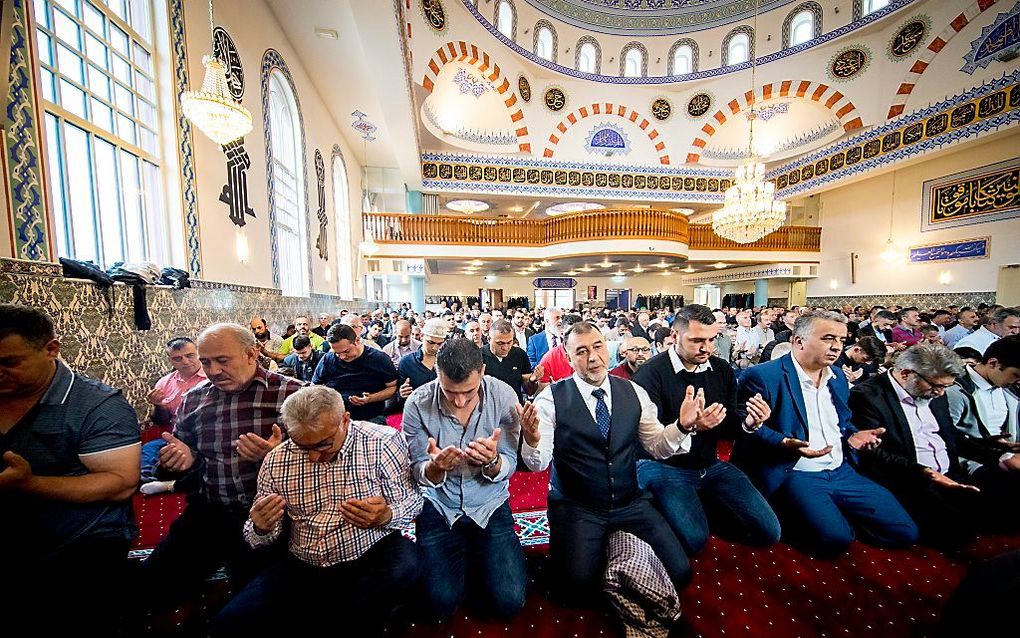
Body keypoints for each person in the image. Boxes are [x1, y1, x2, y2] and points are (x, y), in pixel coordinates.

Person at [214, 386, 422, 637]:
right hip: (304, 561)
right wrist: (261, 526)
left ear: (345, 420)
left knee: (406, 564)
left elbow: (413, 501)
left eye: (323, 444)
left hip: (368, 553)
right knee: (228, 623)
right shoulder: (277, 460)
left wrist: (386, 515)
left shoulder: (382, 442)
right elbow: (256, 537)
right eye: (302, 446)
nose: (313, 457)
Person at [522, 322, 695, 602]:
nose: (592, 357)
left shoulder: (634, 392)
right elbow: (537, 464)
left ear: (609, 348)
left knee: (680, 573)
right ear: (567, 358)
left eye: (598, 346)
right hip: (578, 505)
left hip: (629, 501)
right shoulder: (550, 399)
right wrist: (531, 439)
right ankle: (616, 555)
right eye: (581, 351)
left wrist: (682, 426)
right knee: (574, 588)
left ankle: (616, 551)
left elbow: (657, 447)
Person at [138, 323, 305, 609]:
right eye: (206, 362)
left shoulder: (292, 394)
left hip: (273, 517)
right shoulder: (195, 399)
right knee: (147, 589)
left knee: (261, 603)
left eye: (222, 361)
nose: (213, 371)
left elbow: (328, 458)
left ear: (252, 354)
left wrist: (278, 455)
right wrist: (184, 460)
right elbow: (183, 456)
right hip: (210, 510)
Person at [731, 311, 919, 557]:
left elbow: (842, 422)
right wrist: (785, 442)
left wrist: (853, 435)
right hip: (796, 470)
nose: (837, 347)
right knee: (834, 541)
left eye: (841, 340)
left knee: (905, 532)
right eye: (828, 338)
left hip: (841, 470)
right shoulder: (764, 376)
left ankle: (832, 514)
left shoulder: (838, 376)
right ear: (799, 341)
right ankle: (804, 514)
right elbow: (745, 428)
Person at [0, 304, 140, 634]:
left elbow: (120, 483)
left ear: (51, 350)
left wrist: (29, 483)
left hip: (80, 538)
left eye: (10, 363)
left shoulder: (97, 405)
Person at [633, 305, 780, 556]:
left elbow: (728, 424)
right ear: (674, 337)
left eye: (712, 340)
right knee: (694, 542)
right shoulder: (650, 373)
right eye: (697, 341)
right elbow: (647, 442)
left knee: (768, 533)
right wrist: (687, 428)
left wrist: (749, 424)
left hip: (709, 463)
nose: (707, 348)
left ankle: (700, 504)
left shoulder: (721, 369)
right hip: (663, 465)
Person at [403, 339, 529, 620]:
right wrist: (435, 469)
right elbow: (416, 472)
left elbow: (509, 465)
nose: (459, 401)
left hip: (489, 503)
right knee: (439, 605)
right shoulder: (418, 403)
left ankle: (476, 557)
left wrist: (493, 462)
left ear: (482, 371)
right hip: (440, 505)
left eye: (469, 392)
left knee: (509, 603)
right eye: (450, 392)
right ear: (437, 373)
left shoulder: (504, 395)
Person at [848, 344, 984, 547]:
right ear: (906, 374)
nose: (939, 393)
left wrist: (996, 452)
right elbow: (875, 455)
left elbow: (948, 436)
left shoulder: (936, 391)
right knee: (954, 531)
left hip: (949, 472)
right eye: (936, 386)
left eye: (945, 387)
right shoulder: (867, 396)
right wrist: (925, 473)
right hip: (908, 478)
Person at [946, 335, 1020, 482]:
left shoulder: (1008, 390)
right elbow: (947, 438)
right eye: (1016, 375)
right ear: (993, 363)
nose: (1017, 382)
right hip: (974, 462)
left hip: (1004, 453)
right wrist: (991, 451)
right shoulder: (954, 390)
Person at [140, 337, 208, 495]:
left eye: (190, 355)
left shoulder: (213, 376)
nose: (185, 362)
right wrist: (158, 406)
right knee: (150, 448)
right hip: (176, 436)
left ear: (198, 353)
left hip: (206, 436)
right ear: (170, 360)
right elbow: (161, 421)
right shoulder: (164, 383)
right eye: (177, 358)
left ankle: (173, 482)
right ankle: (146, 480)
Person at [313, 324, 398, 424]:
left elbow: (392, 387)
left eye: (346, 351)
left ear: (357, 341)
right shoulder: (328, 359)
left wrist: (371, 398)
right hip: (337, 417)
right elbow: (315, 386)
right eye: (337, 353)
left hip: (371, 416)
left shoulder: (379, 359)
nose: (342, 357)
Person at [482, 319, 542, 404]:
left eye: (509, 342)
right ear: (489, 339)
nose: (505, 348)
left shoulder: (519, 354)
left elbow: (529, 391)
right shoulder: (478, 356)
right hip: (488, 409)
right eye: (500, 343)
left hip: (514, 409)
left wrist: (532, 381)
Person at [398, 318, 448, 401]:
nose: (435, 348)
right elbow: (399, 396)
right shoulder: (406, 362)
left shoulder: (449, 361)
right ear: (421, 336)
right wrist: (402, 393)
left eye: (439, 344)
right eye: (430, 342)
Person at [953, 307, 1020, 355]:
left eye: (1019, 328)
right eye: (1011, 327)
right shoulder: (970, 343)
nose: (1016, 331)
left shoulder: (1007, 339)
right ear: (994, 323)